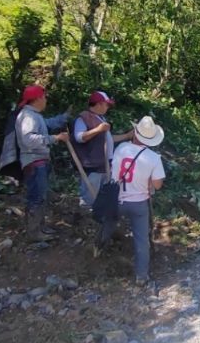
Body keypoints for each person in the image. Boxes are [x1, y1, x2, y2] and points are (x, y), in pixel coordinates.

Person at [99, 116, 166, 285]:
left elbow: (114, 168)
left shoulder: (121, 148)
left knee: (108, 223)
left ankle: (98, 246)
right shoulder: (154, 158)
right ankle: (141, 276)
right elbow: (157, 185)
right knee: (141, 239)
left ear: (135, 132)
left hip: (116, 200)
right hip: (139, 204)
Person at [15, 85, 70, 241]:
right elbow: (29, 139)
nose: (46, 100)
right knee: (36, 197)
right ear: (37, 99)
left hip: (38, 161)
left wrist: (64, 117)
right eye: (44, 97)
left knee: (40, 195)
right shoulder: (28, 117)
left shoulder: (34, 115)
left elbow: (47, 124)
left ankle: (39, 227)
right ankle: (34, 232)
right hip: (34, 161)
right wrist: (55, 138)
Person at [72, 91, 132, 207]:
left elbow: (107, 138)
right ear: (99, 104)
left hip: (104, 165)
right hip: (92, 166)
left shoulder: (100, 118)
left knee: (101, 197)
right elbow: (79, 137)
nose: (108, 107)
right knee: (89, 198)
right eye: (106, 104)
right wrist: (98, 130)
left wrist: (126, 136)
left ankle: (97, 220)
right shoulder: (84, 118)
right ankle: (85, 221)